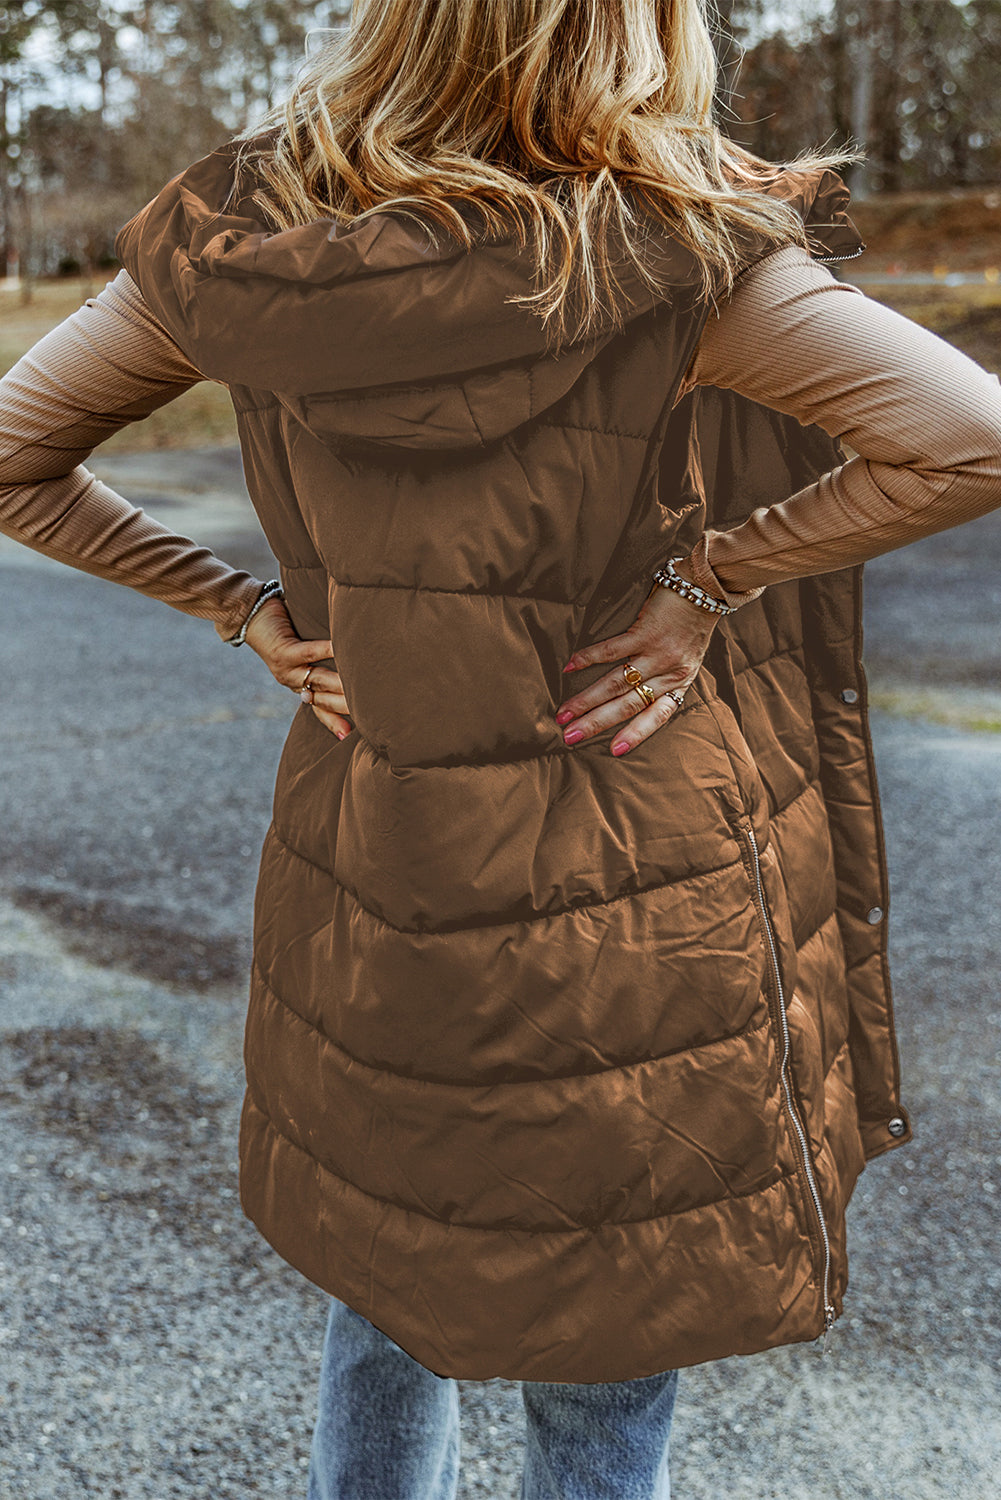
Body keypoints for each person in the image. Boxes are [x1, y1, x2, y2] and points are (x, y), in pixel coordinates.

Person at [3, 1, 1001, 1496]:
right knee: (610, 1339)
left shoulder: (236, 249)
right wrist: (706, 582)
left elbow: (14, 451)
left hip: (378, 854)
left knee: (388, 1281)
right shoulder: (674, 253)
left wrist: (237, 607)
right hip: (632, 869)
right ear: (637, 39)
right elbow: (969, 437)